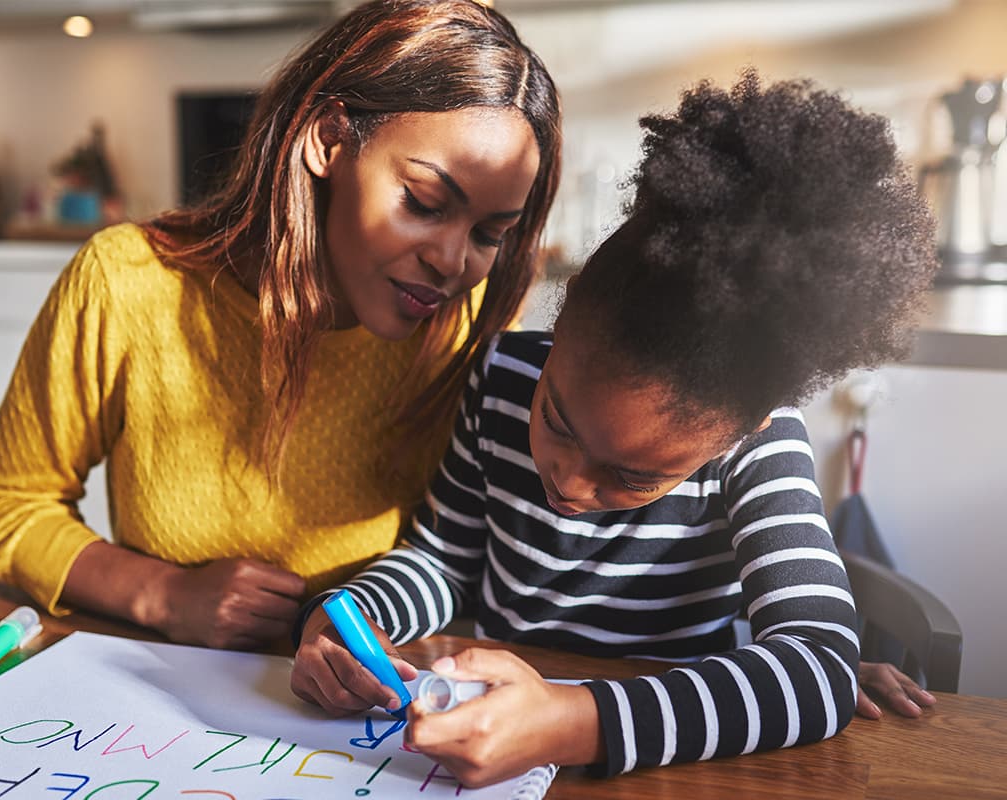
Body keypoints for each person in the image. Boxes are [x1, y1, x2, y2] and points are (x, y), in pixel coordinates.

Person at [290, 69, 940, 784]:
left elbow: (817, 667)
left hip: (662, 764)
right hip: (488, 738)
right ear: (561, 320)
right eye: (559, 421)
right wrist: (352, 612)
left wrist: (570, 721)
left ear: (735, 431)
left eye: (632, 475)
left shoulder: (759, 444)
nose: (567, 480)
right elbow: (444, 559)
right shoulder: (501, 373)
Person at [0, 0, 562, 651]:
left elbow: (468, 549)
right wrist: (162, 594)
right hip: (166, 686)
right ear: (328, 140)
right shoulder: (127, 282)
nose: (451, 261)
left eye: (489, 233)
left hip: (373, 701)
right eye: (423, 203)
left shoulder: (466, 319)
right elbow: (7, 504)